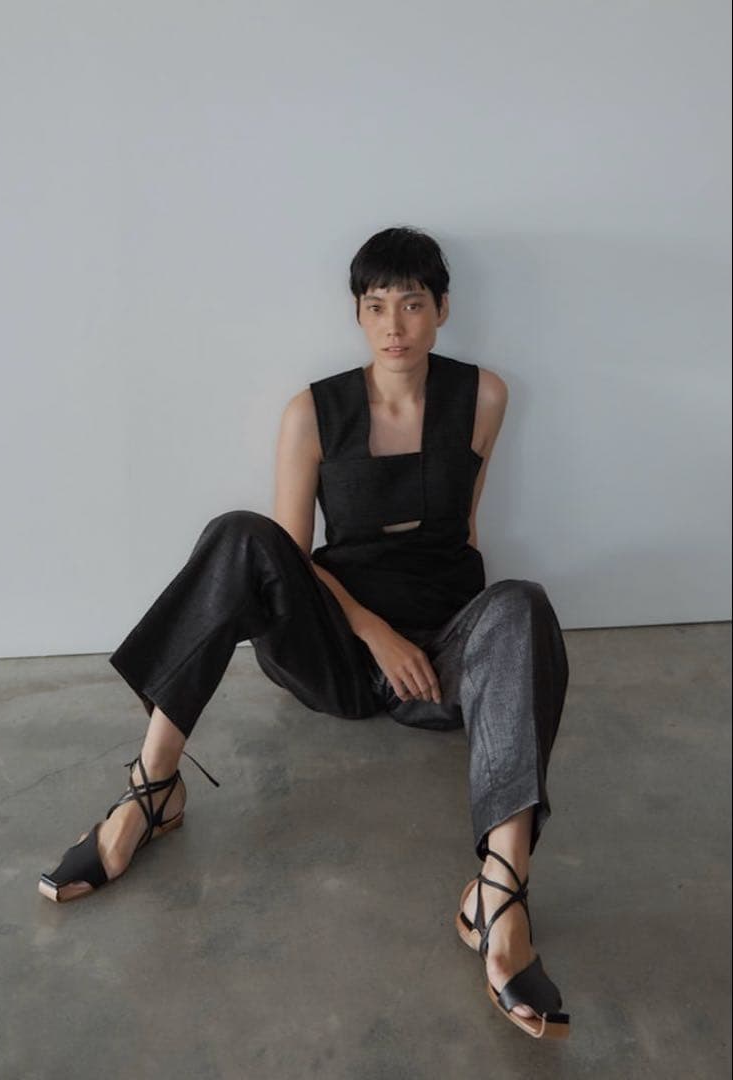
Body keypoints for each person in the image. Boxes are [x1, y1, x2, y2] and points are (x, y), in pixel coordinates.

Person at [39, 226, 571, 1040]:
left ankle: (499, 896)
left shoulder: (485, 397)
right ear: (357, 314)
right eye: (375, 306)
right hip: (337, 652)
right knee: (239, 533)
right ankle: (152, 789)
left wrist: (479, 655)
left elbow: (464, 532)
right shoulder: (313, 412)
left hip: (441, 660)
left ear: (442, 309)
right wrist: (372, 630)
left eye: (412, 304)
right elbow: (286, 556)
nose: (394, 325)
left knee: (523, 602)